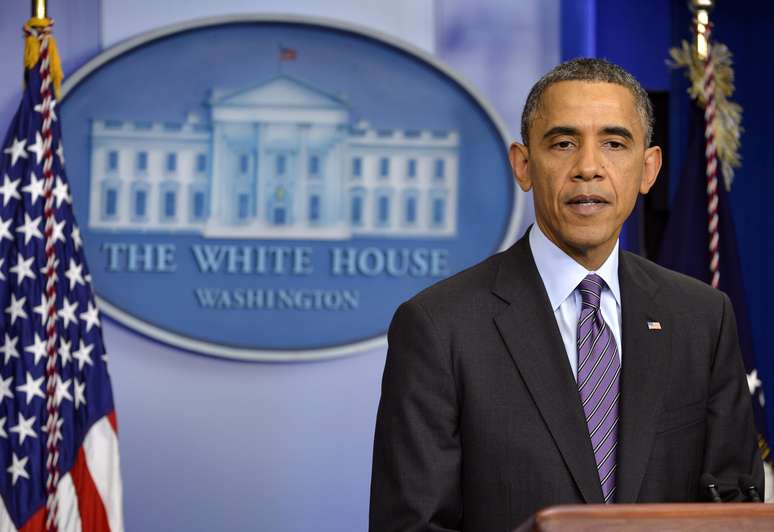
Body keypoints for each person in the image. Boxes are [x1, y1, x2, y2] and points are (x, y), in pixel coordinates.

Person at [369, 58, 763, 532]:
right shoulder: (439, 326)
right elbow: (413, 524)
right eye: (563, 143)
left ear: (648, 168)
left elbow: (734, 509)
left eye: (614, 144)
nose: (589, 168)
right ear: (523, 164)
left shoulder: (702, 317)